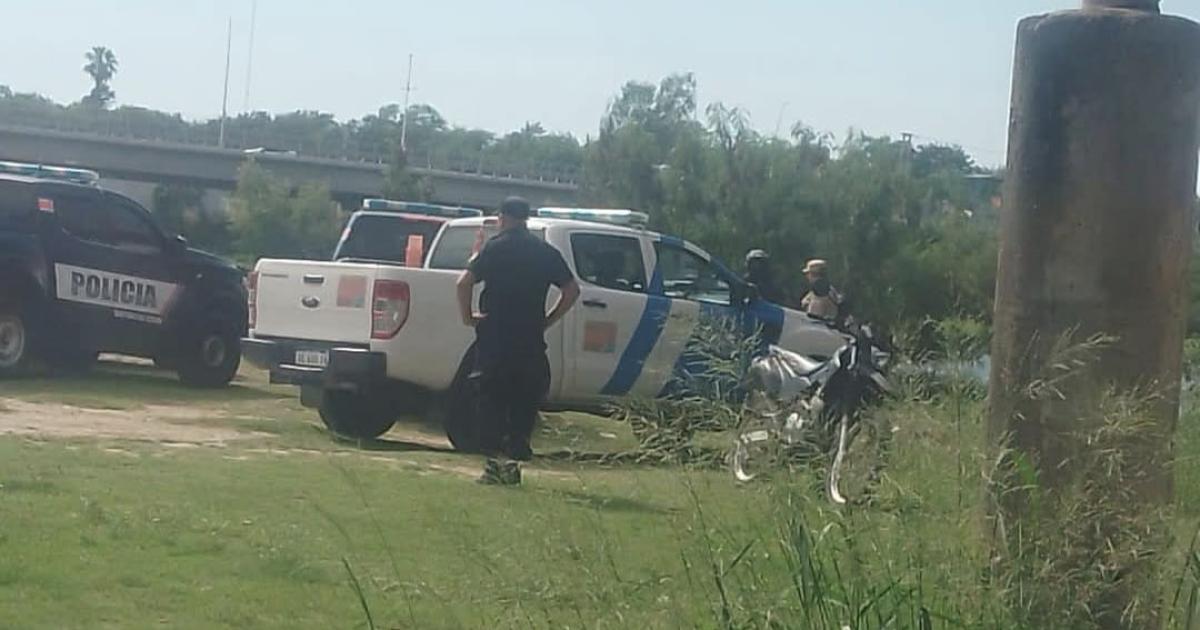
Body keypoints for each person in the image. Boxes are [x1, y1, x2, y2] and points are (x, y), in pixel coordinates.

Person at [456, 197, 581, 486]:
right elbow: (572, 290)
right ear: (526, 218)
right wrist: (548, 320)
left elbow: (463, 283)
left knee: (491, 400)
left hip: (495, 336)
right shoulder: (545, 252)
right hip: (529, 338)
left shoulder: (494, 248)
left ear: (503, 217)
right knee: (522, 401)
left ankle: (494, 466)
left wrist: (468, 316)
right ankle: (513, 464)